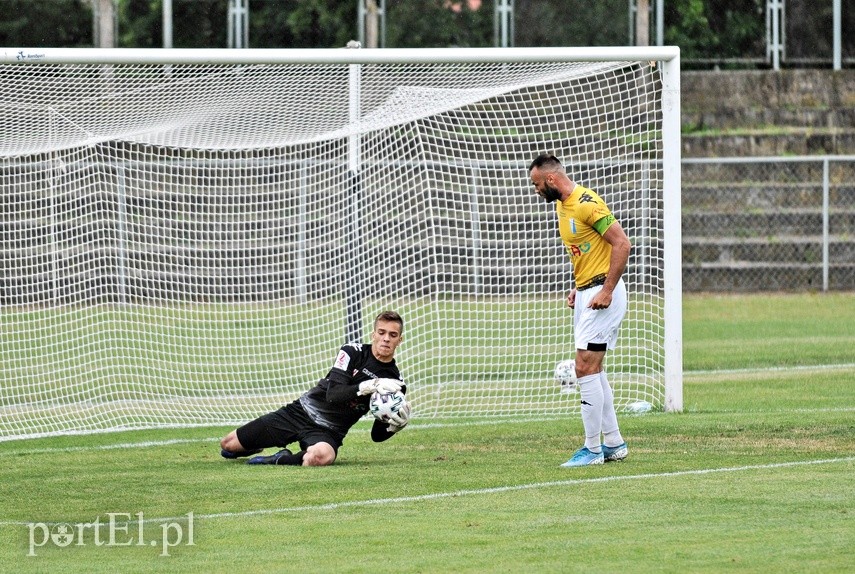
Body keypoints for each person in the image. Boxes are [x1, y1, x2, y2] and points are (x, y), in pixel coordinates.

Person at [528, 153, 632, 467]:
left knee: (584, 367)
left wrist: (607, 289)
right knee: (593, 368)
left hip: (604, 294)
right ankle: (613, 443)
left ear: (550, 179)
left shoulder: (587, 203)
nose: (535, 191)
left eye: (536, 184)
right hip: (588, 291)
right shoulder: (561, 205)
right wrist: (581, 285)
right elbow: (586, 249)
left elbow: (622, 244)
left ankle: (592, 449)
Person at [219, 310, 411, 467]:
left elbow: (376, 436)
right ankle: (254, 445)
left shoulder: (395, 384)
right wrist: (370, 385)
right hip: (299, 412)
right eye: (381, 332)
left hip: (329, 432)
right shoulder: (352, 352)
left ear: (399, 340)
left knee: (320, 457)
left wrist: (394, 426)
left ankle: (281, 458)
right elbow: (333, 394)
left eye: (392, 335)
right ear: (373, 334)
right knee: (228, 445)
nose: (386, 339)